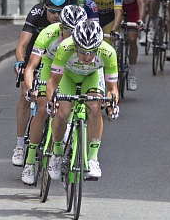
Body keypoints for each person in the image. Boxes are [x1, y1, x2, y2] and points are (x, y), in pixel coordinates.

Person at [20, 4, 88, 185]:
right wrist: (31, 88)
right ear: (61, 27)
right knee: (42, 107)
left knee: (73, 105)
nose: (72, 35)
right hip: (49, 67)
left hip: (70, 69)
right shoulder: (47, 34)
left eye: (76, 30)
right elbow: (31, 68)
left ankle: (69, 149)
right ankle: (30, 161)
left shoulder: (83, 41)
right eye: (67, 30)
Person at [45, 19, 121, 181]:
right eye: (83, 51)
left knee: (95, 106)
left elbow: (112, 87)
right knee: (62, 113)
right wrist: (52, 100)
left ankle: (93, 158)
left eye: (92, 51)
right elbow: (52, 81)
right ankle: (57, 154)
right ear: (75, 46)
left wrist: (112, 104)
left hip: (91, 76)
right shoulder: (65, 48)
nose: (87, 56)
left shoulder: (108, 52)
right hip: (68, 77)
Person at [11, 0, 72, 165]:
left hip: (59, 59)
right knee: (25, 93)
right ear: (44, 6)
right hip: (36, 54)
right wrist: (21, 64)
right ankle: (20, 145)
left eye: (60, 11)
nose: (56, 16)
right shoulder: (36, 13)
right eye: (52, 11)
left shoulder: (69, 18)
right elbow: (22, 45)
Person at [112, 0, 145, 92]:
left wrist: (141, 20)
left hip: (132, 10)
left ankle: (132, 74)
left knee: (132, 39)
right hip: (116, 9)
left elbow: (141, 3)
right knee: (112, 37)